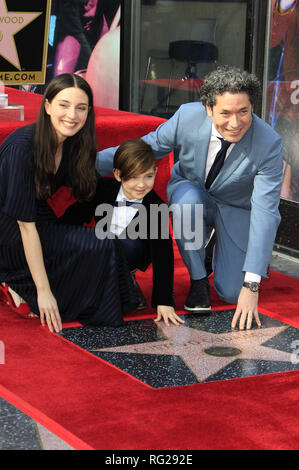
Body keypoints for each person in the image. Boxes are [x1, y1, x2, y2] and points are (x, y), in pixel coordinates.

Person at [96, 66, 284, 331]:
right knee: (187, 203)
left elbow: (266, 212)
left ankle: (213, 245)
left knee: (232, 292)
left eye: (244, 111)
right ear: (208, 108)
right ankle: (198, 280)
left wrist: (252, 285)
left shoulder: (270, 144)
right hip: (191, 192)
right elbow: (147, 147)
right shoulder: (187, 116)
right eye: (225, 113)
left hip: (236, 207)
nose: (235, 122)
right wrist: (83, 166)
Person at [0, 73, 138, 333]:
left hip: (39, 217)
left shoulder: (74, 143)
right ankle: (20, 284)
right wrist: (44, 293)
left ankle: (23, 284)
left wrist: (133, 193)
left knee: (101, 243)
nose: (72, 115)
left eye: (81, 108)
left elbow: (93, 188)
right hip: (10, 229)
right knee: (100, 245)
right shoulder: (21, 147)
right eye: (64, 105)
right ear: (48, 105)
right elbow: (25, 226)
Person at [96, 138, 184, 326]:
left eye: (148, 176)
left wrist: (164, 301)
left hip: (131, 254)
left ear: (156, 173)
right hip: (101, 254)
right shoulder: (103, 190)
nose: (141, 185)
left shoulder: (155, 206)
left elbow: (163, 254)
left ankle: (126, 278)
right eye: (133, 177)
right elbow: (73, 218)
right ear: (118, 175)